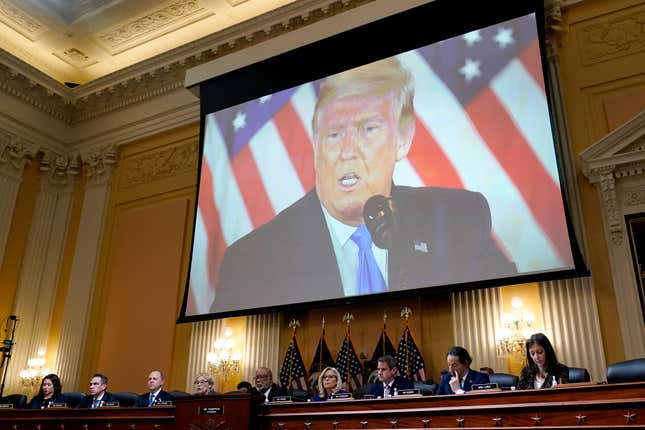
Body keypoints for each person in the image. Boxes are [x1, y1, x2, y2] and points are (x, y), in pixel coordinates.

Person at [212, 57, 516, 313]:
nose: (347, 151)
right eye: (333, 134)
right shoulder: (252, 261)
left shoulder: (457, 220)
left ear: (403, 138)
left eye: (368, 129)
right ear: (316, 145)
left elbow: (500, 303)